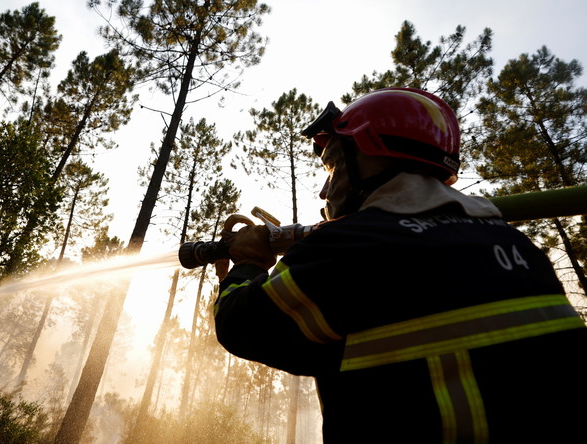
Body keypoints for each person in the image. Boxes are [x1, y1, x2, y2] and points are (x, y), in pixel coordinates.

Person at [213, 87, 587, 443]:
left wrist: (249, 260)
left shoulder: (349, 246)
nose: (326, 191)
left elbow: (241, 327)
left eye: (334, 165)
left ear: (371, 155)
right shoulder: (518, 244)